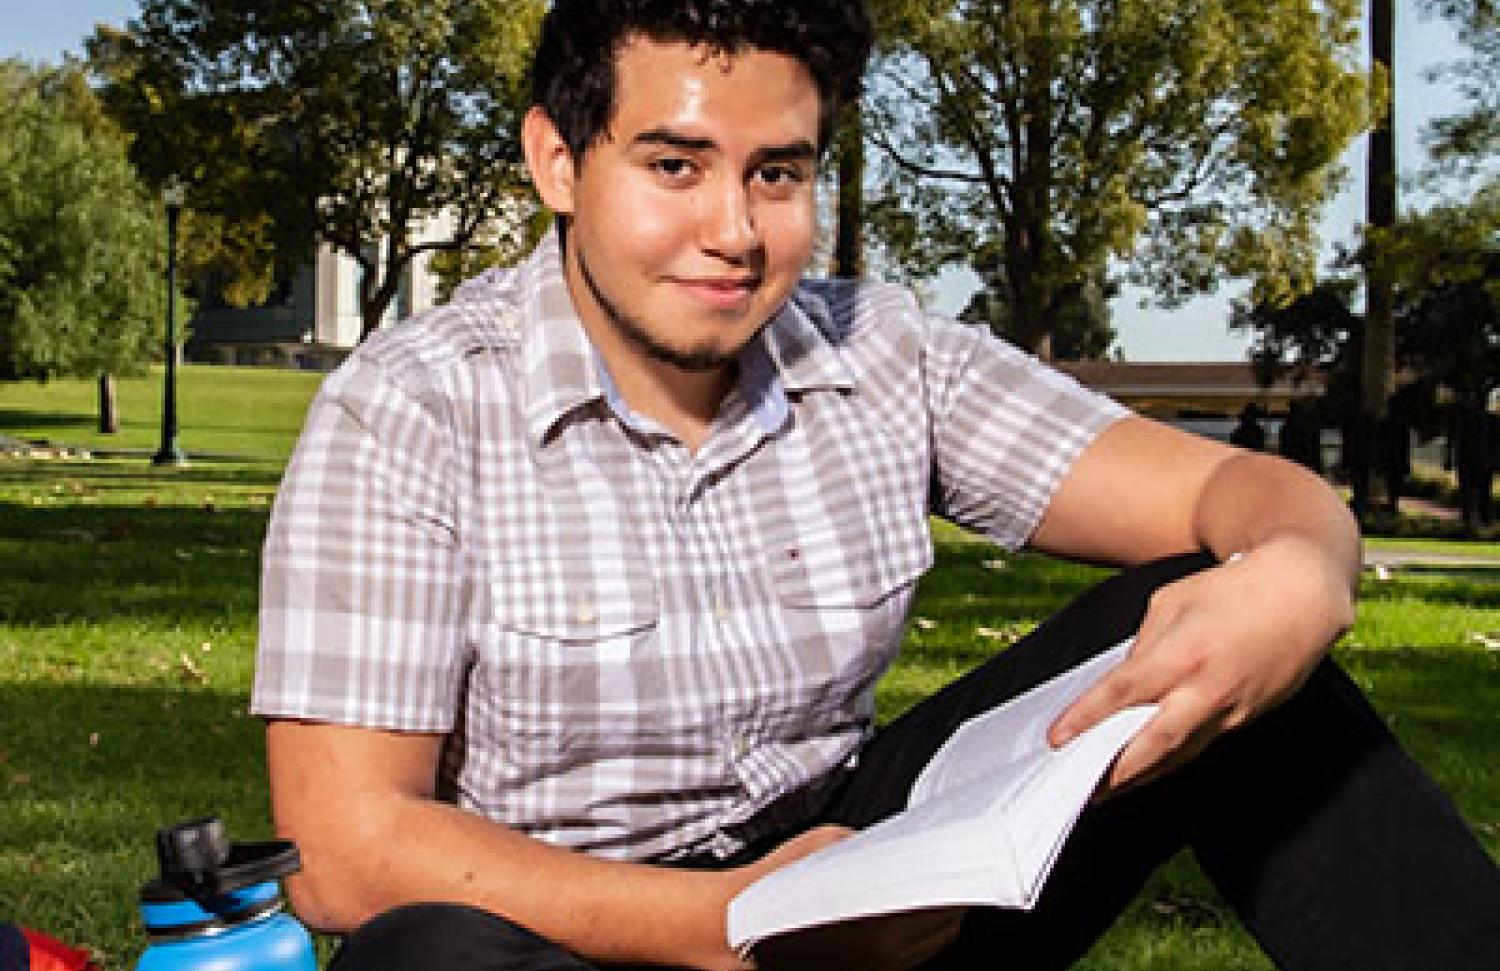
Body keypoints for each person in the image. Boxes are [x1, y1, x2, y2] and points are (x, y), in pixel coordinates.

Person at [251, 1, 1500, 969]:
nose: (734, 229)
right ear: (558, 161)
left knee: (1211, 624)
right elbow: (346, 849)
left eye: (779, 174)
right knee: (421, 948)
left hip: (873, 899)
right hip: (573, 928)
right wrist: (735, 919)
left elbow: (1243, 491)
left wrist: (1301, 570)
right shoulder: (407, 408)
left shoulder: (884, 352)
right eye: (675, 166)